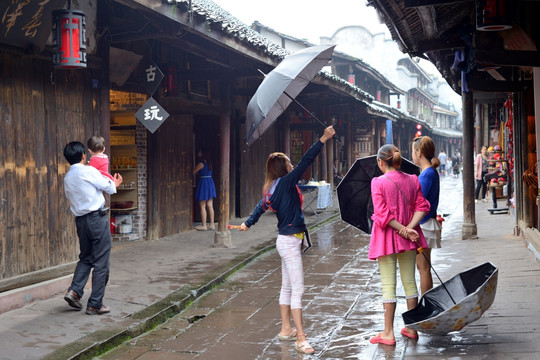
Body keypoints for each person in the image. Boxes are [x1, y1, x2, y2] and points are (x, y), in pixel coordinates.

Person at [239, 126, 336, 354]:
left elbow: (259, 207)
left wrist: (248, 223)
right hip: (290, 242)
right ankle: (300, 338)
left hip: (286, 240)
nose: (293, 165)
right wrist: (321, 139)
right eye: (289, 163)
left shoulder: (271, 187)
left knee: (286, 286)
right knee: (298, 289)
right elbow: (305, 162)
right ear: (283, 168)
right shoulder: (284, 183)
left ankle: (285, 328)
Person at [369, 144, 430, 346]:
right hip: (409, 239)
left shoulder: (378, 183)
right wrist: (409, 229)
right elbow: (423, 207)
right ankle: (411, 327)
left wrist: (401, 229)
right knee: (410, 282)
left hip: (386, 238)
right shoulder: (413, 179)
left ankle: (388, 333)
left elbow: (381, 215)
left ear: (380, 162)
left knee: (388, 286)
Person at [63, 141, 123, 315]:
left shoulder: (68, 177)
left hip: (80, 221)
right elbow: (109, 187)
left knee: (86, 257)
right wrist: (115, 184)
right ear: (83, 156)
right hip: (96, 219)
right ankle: (95, 303)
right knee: (101, 262)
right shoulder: (88, 170)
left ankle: (74, 291)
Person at [412, 136, 441, 295]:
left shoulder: (426, 174)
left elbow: (419, 203)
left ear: (419, 152)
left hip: (423, 225)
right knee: (424, 268)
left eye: (413, 152)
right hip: (427, 223)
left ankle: (426, 302)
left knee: (423, 269)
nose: (412, 156)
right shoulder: (429, 172)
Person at [193, 148, 217, 231]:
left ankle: (204, 225)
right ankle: (212, 224)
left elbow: (193, 172)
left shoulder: (201, 164)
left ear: (203, 153)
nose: (198, 152)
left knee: (202, 206)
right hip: (210, 182)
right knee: (210, 205)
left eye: (200, 151)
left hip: (203, 183)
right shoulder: (209, 163)